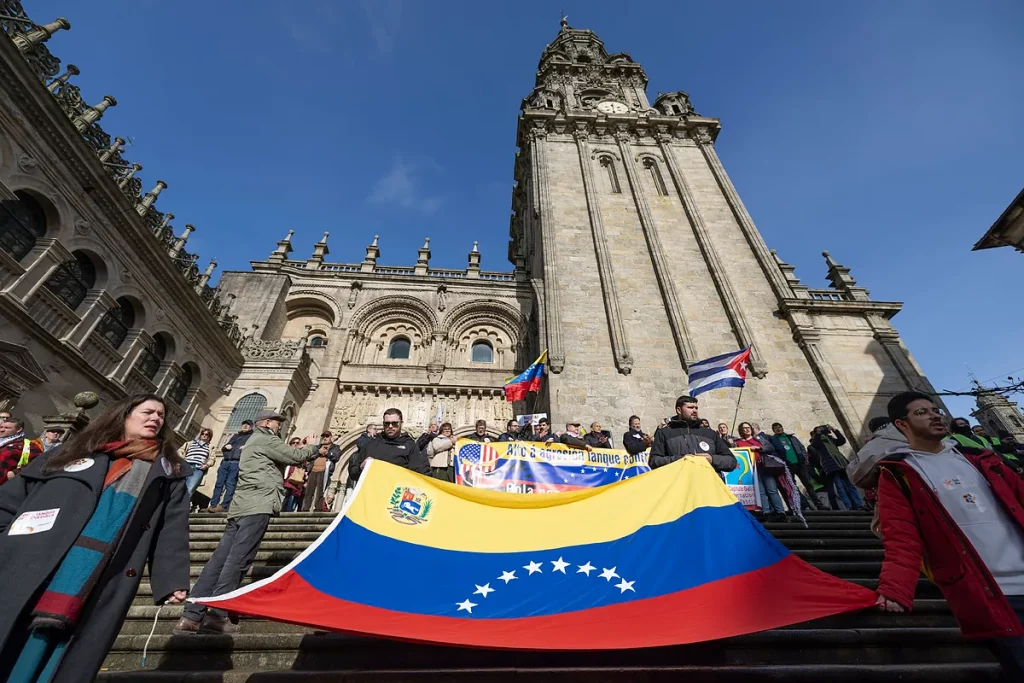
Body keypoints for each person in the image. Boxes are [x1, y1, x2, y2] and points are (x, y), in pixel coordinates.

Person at [0, 393, 190, 682]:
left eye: (161, 416)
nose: (156, 418)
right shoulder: (74, 451)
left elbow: (172, 527)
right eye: (148, 412)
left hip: (102, 573)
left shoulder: (167, 472)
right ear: (124, 415)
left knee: (64, 657)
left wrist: (172, 579)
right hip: (35, 560)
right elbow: (17, 495)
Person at [874, 391, 1024, 677]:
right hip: (991, 594)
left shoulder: (981, 459)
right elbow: (901, 536)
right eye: (921, 412)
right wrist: (895, 588)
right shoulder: (899, 473)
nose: (934, 416)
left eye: (935, 410)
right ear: (901, 424)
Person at [175, 410, 325, 634]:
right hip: (257, 505)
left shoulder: (253, 441)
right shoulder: (265, 438)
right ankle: (217, 615)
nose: (280, 427)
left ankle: (191, 616)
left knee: (219, 561)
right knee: (238, 560)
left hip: (240, 506)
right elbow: (295, 457)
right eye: (278, 423)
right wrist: (312, 446)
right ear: (267, 423)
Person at [649, 396, 737, 473]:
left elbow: (731, 461)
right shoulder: (665, 433)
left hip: (708, 484)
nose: (694, 411)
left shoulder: (710, 433)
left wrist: (712, 459)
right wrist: (680, 459)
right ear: (679, 410)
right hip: (679, 483)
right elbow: (654, 461)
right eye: (690, 408)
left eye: (696, 408)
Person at [809, 424, 866, 511]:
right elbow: (815, 444)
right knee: (839, 486)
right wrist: (818, 433)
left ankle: (859, 504)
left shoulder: (830, 440)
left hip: (841, 463)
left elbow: (842, 441)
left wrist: (835, 430)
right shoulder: (817, 441)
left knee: (850, 485)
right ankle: (848, 506)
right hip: (831, 466)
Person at [770, 422, 826, 510]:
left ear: (782, 428)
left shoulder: (792, 438)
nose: (778, 429)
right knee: (793, 486)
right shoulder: (774, 440)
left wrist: (804, 458)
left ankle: (818, 503)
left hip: (800, 464)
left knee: (808, 484)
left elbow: (801, 447)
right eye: (775, 428)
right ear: (773, 430)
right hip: (787, 466)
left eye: (779, 427)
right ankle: (803, 506)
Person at [737, 422, 787, 521]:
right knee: (760, 492)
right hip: (751, 470)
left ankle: (780, 512)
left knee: (772, 490)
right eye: (744, 428)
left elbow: (770, 447)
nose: (747, 429)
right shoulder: (738, 442)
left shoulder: (758, 439)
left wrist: (759, 448)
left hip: (764, 467)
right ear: (741, 431)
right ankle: (766, 511)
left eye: (748, 427)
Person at [357, 409, 430, 476]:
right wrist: (361, 467)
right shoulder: (371, 444)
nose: (390, 426)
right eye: (387, 423)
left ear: (401, 423)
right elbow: (354, 470)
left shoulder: (410, 446)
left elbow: (419, 473)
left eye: (394, 423)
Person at [205, 419, 254, 512]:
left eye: (247, 425)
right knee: (219, 484)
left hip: (236, 462)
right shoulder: (235, 436)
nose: (245, 426)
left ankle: (224, 505)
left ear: (251, 427)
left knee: (230, 484)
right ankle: (213, 505)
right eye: (243, 424)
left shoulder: (251, 437)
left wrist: (246, 447)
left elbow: (252, 449)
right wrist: (225, 447)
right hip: (225, 461)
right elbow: (223, 448)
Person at [326, 424, 378, 511]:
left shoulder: (376, 440)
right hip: (357, 472)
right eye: (375, 429)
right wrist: (371, 439)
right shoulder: (362, 440)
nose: (377, 431)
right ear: (369, 430)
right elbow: (363, 446)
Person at [302, 431, 340, 512]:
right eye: (324, 436)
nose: (325, 438)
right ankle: (305, 508)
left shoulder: (335, 447)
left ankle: (318, 508)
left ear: (331, 437)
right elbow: (310, 457)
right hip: (313, 470)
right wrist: (319, 453)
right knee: (309, 491)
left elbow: (336, 457)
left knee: (320, 491)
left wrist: (327, 453)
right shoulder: (317, 447)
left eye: (327, 436)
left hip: (324, 471)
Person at [0, 417, 41, 485]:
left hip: (7, 485)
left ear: (19, 429)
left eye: (7, 428)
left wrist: (16, 473)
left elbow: (38, 463)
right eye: (1, 427)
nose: (2, 430)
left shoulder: (28, 445)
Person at [181, 427, 215, 498]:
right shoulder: (190, 443)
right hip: (186, 466)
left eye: (206, 434)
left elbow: (212, 459)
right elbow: (180, 452)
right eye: (202, 433)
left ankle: (183, 504)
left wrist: (207, 465)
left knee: (190, 489)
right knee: (178, 487)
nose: (204, 435)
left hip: (198, 469)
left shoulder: (210, 447)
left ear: (209, 437)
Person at [282, 437, 305, 512]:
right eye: (293, 443)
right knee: (284, 500)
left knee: (290, 503)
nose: (295, 444)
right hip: (284, 480)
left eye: (297, 443)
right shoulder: (286, 452)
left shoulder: (301, 455)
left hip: (294, 482)